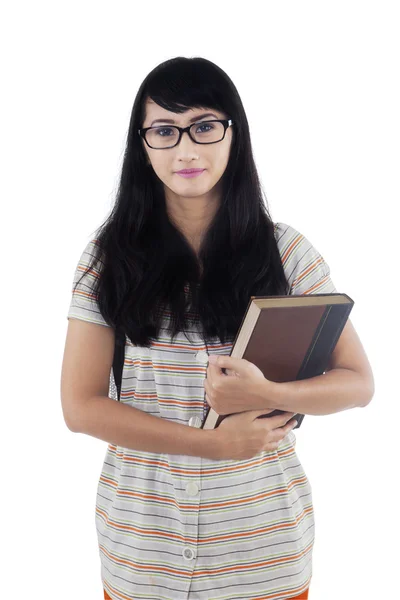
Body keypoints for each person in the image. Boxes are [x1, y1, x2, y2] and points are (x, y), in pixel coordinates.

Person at [61, 56, 374, 600]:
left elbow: (357, 383)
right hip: (143, 556)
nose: (186, 150)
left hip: (264, 554)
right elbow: (79, 407)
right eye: (164, 130)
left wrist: (268, 394)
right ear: (143, 144)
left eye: (205, 127)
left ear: (235, 134)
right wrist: (213, 446)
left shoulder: (288, 254)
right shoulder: (107, 258)